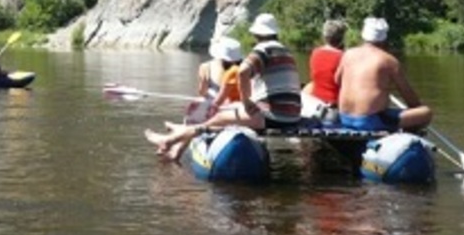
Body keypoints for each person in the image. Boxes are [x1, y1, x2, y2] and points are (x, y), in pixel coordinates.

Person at [150, 14, 301, 160]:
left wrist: (246, 101)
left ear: (256, 34)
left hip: (271, 116)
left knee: (217, 119)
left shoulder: (263, 50)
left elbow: (243, 71)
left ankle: (170, 139)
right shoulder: (286, 51)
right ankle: (175, 136)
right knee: (224, 120)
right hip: (293, 116)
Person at [335, 16, 433, 133]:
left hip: (345, 118)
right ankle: (403, 135)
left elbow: (337, 80)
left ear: (363, 35)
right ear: (384, 39)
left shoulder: (348, 54)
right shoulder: (389, 61)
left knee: (385, 111)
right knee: (426, 112)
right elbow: (410, 97)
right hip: (369, 121)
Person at [302, 18, 347, 123]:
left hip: (316, 103)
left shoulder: (315, 53)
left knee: (309, 85)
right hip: (334, 106)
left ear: (325, 37)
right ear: (342, 38)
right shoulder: (343, 57)